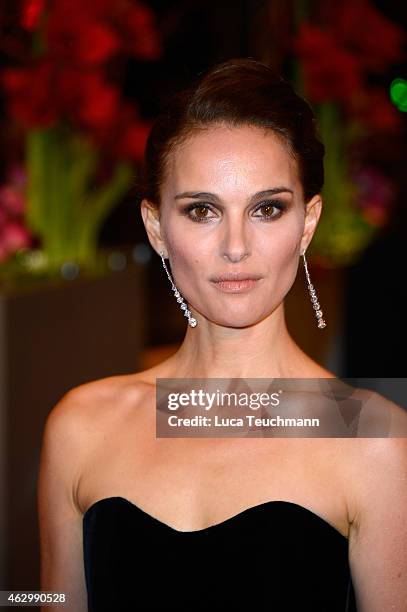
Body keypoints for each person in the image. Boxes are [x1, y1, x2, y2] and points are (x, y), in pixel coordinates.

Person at [38, 58, 407, 611]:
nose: (236, 246)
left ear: (306, 224)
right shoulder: (82, 427)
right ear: (157, 227)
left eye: (267, 208)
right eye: (203, 210)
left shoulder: (374, 438)